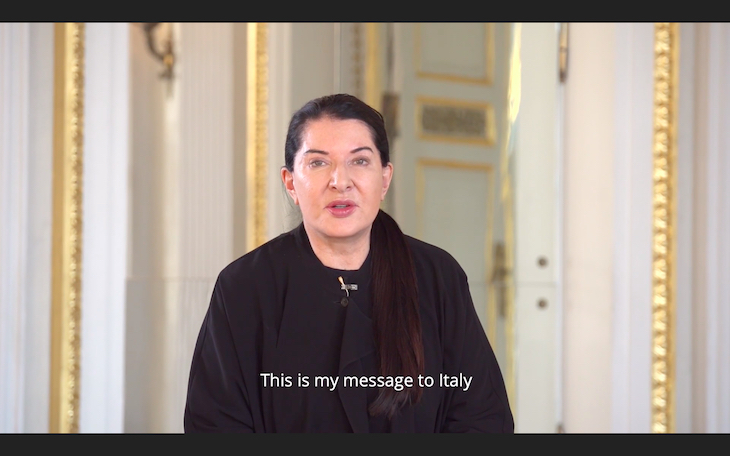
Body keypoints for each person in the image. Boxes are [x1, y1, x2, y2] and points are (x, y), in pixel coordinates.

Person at [184, 93, 514, 433]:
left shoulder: (437, 277)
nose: (340, 182)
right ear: (290, 183)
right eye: (318, 163)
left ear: (384, 179)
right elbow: (215, 424)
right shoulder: (244, 287)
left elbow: (482, 416)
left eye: (359, 161)